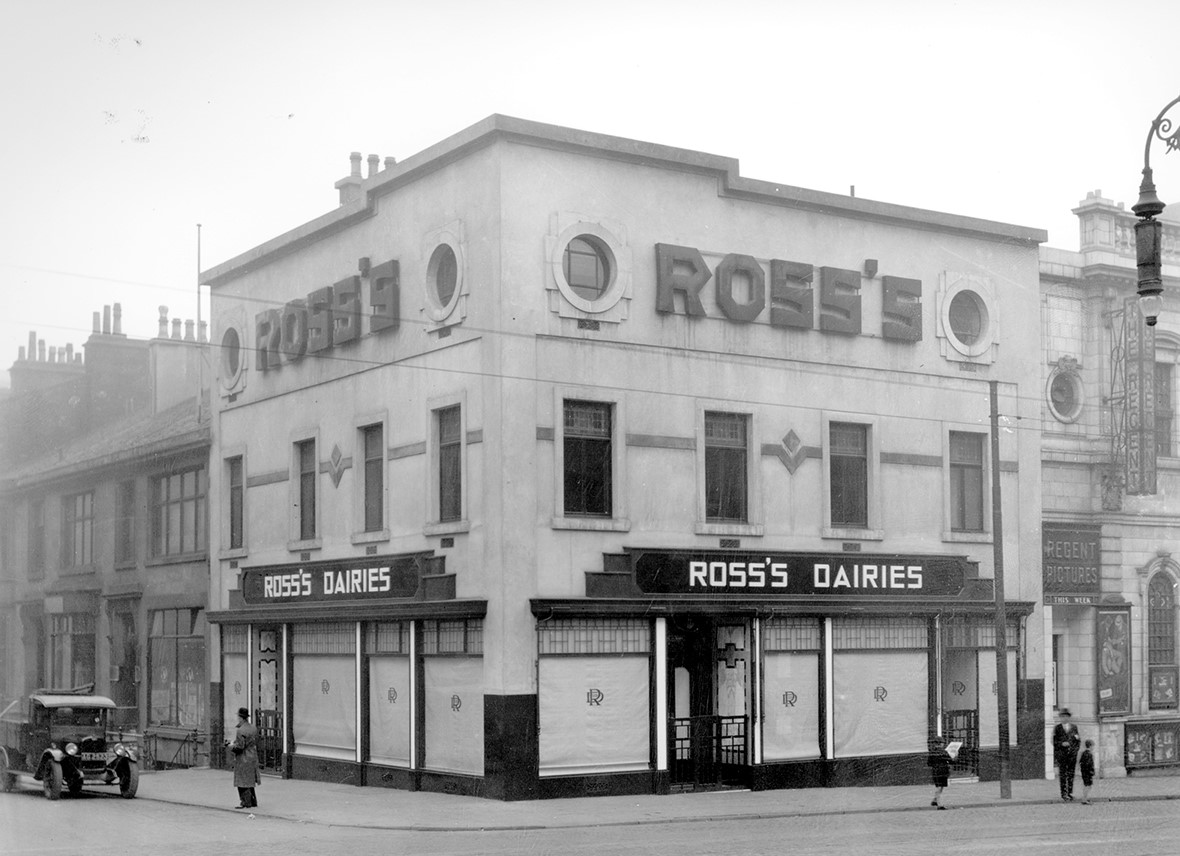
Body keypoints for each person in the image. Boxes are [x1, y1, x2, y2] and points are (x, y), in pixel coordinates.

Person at [229, 706, 260, 809]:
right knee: (250, 780)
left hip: (243, 758)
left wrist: (231, 747)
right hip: (252, 756)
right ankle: (253, 801)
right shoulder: (253, 728)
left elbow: (240, 747)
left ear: (240, 717)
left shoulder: (240, 730)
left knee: (242, 781)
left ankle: (245, 802)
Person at [1053, 708, 1081, 801]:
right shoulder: (1057, 728)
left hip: (1071, 755)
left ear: (1069, 717)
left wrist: (1074, 751)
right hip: (1062, 755)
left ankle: (1070, 792)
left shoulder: (1074, 727)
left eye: (1066, 716)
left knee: (1071, 774)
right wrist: (1061, 744)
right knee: (1063, 774)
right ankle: (1064, 793)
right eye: (1062, 716)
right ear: (1060, 718)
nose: (1064, 718)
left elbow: (1078, 741)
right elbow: (1054, 742)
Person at [928, 735, 951, 809]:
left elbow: (929, 763)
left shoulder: (932, 752)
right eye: (942, 743)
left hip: (935, 771)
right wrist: (955, 755)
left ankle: (935, 800)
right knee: (940, 787)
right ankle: (939, 804)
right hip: (943, 771)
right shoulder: (943, 752)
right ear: (940, 744)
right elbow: (951, 761)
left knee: (939, 786)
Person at [1079, 739, 1095, 804]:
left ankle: (1085, 798)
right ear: (1090, 746)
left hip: (1084, 772)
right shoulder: (1089, 754)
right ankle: (1084, 799)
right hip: (1087, 773)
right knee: (1087, 786)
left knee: (1087, 786)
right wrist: (1091, 771)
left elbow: (1081, 762)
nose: (1093, 748)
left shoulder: (1084, 753)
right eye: (1093, 746)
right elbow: (1089, 764)